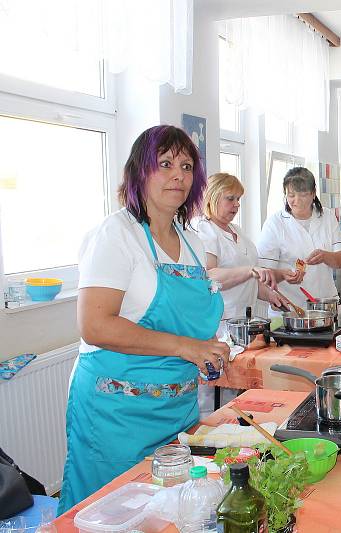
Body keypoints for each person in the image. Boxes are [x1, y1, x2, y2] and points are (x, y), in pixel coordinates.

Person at [59, 125, 231, 513]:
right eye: (165, 163)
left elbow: (185, 321)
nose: (178, 175)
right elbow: (95, 325)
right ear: (140, 171)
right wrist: (186, 346)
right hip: (115, 411)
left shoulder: (192, 242)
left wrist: (206, 351)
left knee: (169, 511)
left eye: (187, 166)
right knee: (109, 512)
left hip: (177, 408)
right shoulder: (116, 235)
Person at [193, 173, 298, 416]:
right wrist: (250, 270)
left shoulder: (235, 230)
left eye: (238, 199)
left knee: (240, 397)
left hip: (244, 325)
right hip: (219, 326)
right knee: (217, 398)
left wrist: (271, 294)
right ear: (213, 197)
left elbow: (250, 279)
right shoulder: (204, 231)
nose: (236, 205)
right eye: (230, 199)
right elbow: (210, 276)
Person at [256, 167, 341, 308]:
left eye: (303, 195)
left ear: (313, 193)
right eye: (291, 195)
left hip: (326, 303)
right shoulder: (275, 223)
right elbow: (263, 274)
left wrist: (324, 256)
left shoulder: (327, 217)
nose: (296, 201)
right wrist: (284, 275)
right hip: (290, 307)